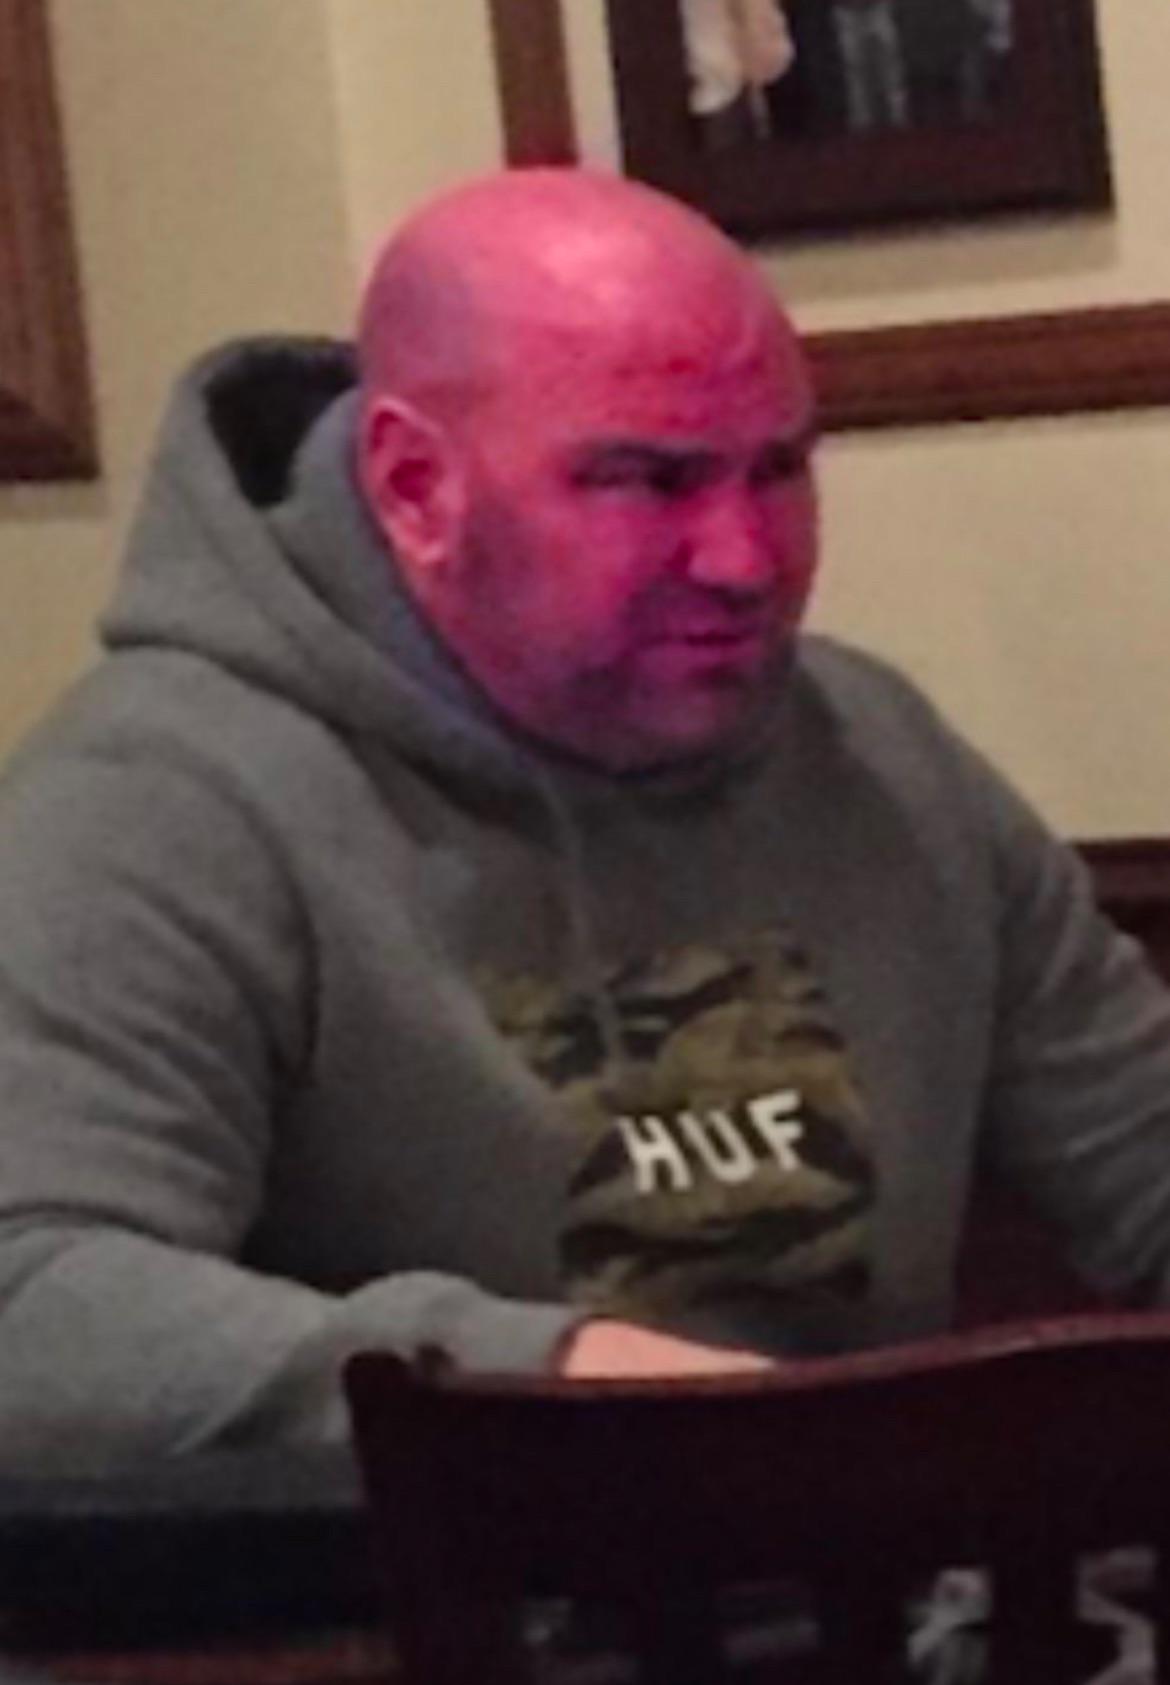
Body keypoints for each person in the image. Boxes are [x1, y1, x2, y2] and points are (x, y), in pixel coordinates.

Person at [1, 167, 1169, 1477]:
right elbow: (31, 1303)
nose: (741, 559)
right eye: (646, 480)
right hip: (429, 1585)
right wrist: (553, 1385)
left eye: (779, 469)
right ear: (414, 486)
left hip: (875, 1563)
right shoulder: (157, 801)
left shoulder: (882, 758)